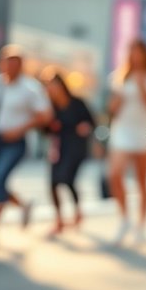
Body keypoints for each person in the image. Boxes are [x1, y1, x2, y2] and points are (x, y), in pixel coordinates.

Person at [0, 45, 53, 248]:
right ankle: (24, 205)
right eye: (7, 62)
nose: (10, 67)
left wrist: (21, 128)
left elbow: (45, 116)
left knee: (0, 177)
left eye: (15, 63)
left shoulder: (30, 88)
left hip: (17, 142)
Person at [107, 38, 146, 246]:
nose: (135, 56)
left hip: (144, 131)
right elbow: (111, 108)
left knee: (142, 180)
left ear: (145, 55)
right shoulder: (120, 77)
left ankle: (142, 226)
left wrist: (141, 86)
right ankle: (124, 219)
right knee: (114, 174)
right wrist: (117, 100)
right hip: (123, 130)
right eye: (132, 52)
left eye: (139, 52)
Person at [41, 68, 96, 237]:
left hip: (76, 147)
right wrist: (49, 126)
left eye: (54, 85)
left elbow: (91, 121)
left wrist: (85, 126)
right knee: (52, 183)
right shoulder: (50, 107)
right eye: (49, 86)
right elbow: (44, 129)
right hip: (58, 148)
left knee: (67, 179)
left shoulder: (77, 102)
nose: (52, 89)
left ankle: (77, 211)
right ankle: (59, 220)